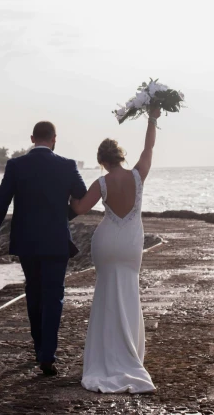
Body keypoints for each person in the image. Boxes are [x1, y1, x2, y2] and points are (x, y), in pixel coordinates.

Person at [0, 121, 87, 376]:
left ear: (32, 139)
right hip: (56, 240)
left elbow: (1, 203)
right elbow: (82, 196)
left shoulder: (16, 165)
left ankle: (39, 346)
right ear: (54, 139)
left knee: (34, 293)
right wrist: (63, 216)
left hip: (27, 241)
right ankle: (47, 354)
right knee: (54, 296)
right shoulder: (67, 165)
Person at [70, 106, 160, 393]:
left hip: (107, 243)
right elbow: (148, 147)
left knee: (107, 296)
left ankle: (105, 358)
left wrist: (68, 193)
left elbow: (81, 208)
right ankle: (130, 356)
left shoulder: (101, 182)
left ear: (101, 161)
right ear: (121, 156)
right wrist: (153, 118)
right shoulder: (137, 175)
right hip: (131, 244)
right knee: (128, 294)